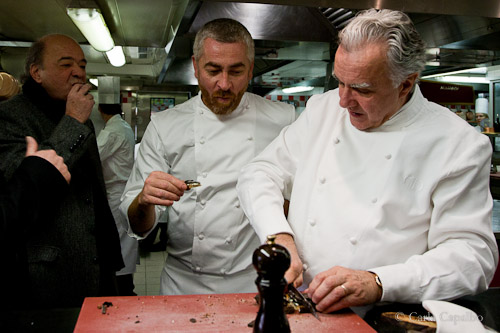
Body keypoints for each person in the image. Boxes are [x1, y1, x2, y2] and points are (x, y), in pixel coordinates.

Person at [237, 9, 498, 314]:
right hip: (300, 308)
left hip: (382, 317)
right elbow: (259, 173)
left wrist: (378, 282)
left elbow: (472, 257)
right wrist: (279, 236)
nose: (343, 101)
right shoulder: (323, 110)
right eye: (340, 83)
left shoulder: (458, 145)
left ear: (406, 84)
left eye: (362, 89)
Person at [120, 18, 296, 295]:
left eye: (235, 71)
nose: (224, 84)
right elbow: (137, 224)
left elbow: (300, 197)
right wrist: (144, 200)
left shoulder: (283, 119)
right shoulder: (165, 126)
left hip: (255, 281)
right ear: (195, 66)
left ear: (250, 69)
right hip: (184, 283)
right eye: (213, 70)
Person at [0, 34, 124, 308]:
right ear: (36, 72)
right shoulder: (10, 116)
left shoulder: (82, 119)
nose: (78, 73)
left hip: (96, 264)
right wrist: (72, 121)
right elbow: (20, 192)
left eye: (81, 65)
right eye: (66, 64)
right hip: (47, 273)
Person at [97, 103, 138, 296]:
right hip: (123, 189)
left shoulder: (112, 131)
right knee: (124, 243)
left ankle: (122, 290)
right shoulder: (124, 126)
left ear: (100, 111)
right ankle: (125, 287)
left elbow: (94, 156)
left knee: (118, 244)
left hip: (115, 192)